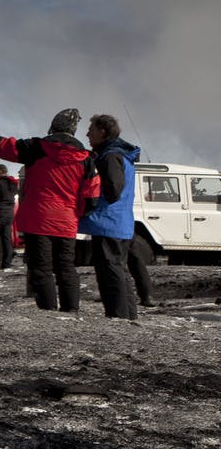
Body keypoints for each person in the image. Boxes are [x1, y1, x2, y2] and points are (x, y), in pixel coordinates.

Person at [0, 109, 93, 312]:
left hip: (39, 219)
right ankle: (71, 310)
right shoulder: (86, 158)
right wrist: (79, 213)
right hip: (67, 219)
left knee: (41, 267)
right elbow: (92, 195)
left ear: (53, 126)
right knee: (66, 266)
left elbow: (2, 146)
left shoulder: (36, 147)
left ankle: (48, 310)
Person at [80, 114, 141, 320]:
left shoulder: (110, 156)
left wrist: (93, 197)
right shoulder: (121, 155)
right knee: (120, 272)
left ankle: (118, 316)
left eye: (91, 130)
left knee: (110, 273)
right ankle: (129, 317)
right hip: (120, 223)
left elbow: (114, 189)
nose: (87, 134)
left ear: (102, 132)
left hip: (108, 222)